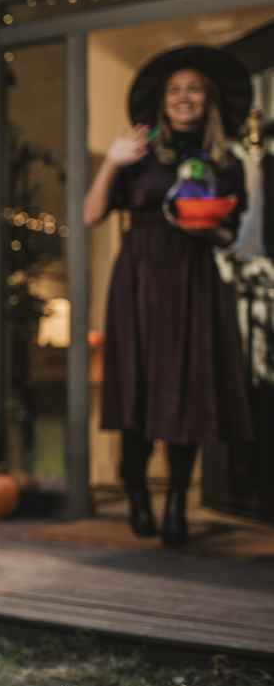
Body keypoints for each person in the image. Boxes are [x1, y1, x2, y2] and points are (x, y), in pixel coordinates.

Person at [83, 45, 254, 546]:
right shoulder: (139, 155)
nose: (184, 98)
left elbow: (231, 234)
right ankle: (136, 493)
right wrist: (111, 164)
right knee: (137, 392)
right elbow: (92, 214)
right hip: (139, 283)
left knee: (188, 397)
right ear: (163, 101)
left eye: (194, 89)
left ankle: (178, 501)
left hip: (194, 283)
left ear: (209, 100)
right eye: (176, 90)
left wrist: (209, 226)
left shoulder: (226, 162)